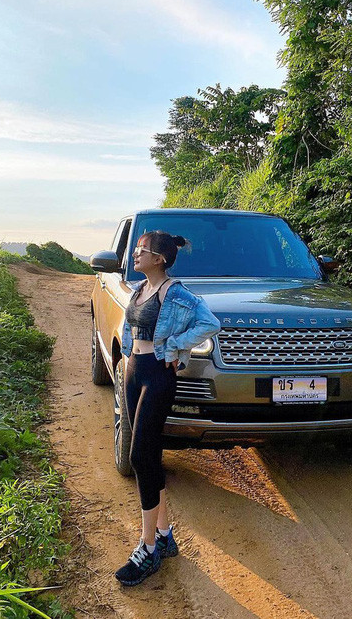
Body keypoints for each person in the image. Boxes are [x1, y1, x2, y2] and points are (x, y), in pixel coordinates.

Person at [114, 230, 221, 586]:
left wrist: (174, 346)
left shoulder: (175, 292)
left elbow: (210, 324)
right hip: (133, 371)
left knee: (140, 458)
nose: (135, 255)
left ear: (159, 258)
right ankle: (163, 533)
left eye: (142, 250)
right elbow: (132, 328)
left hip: (157, 375)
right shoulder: (139, 289)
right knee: (151, 453)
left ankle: (147, 549)